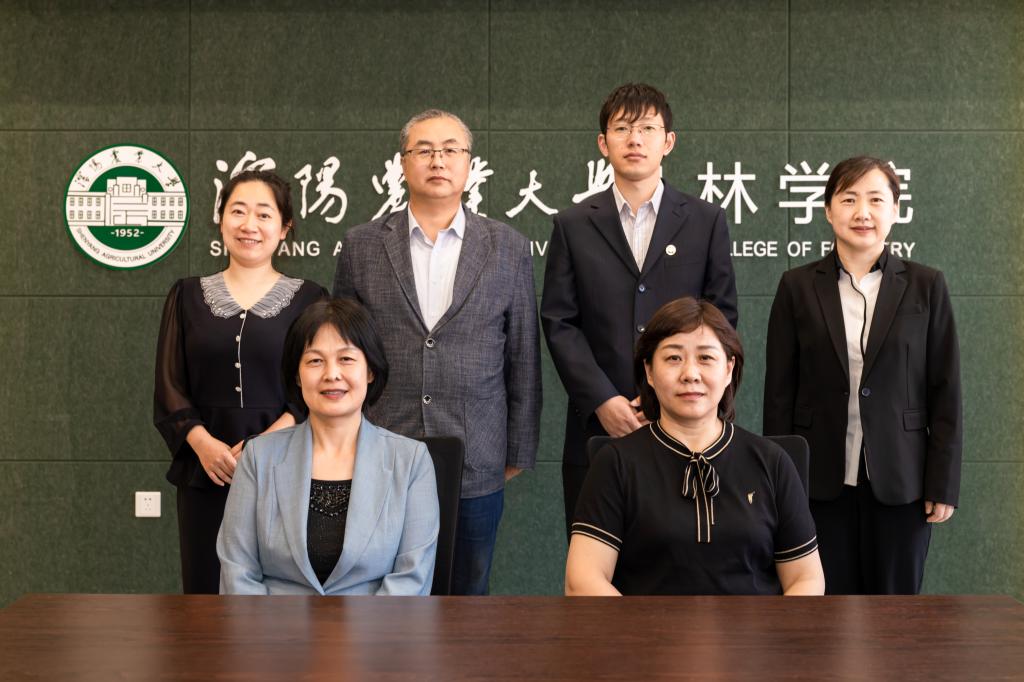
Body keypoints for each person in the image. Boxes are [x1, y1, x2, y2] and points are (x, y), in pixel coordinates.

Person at [332, 109, 541, 595]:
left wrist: (515, 450)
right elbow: (343, 350)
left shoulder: (507, 246)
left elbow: (524, 356)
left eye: (451, 150)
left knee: (467, 593)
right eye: (423, 150)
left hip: (477, 452)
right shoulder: (362, 245)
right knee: (377, 591)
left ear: (469, 164)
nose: (438, 160)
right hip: (382, 447)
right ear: (403, 163)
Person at [541, 83, 738, 537]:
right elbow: (560, 322)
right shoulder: (573, 225)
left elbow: (721, 316)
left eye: (647, 128)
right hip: (598, 426)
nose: (635, 139)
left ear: (668, 141)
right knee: (597, 555)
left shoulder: (705, 220)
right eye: (622, 129)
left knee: (684, 552)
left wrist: (670, 394)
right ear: (602, 143)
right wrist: (603, 401)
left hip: (687, 421)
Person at [763, 155, 962, 595]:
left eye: (875, 199)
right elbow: (779, 394)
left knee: (895, 614)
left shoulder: (926, 285)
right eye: (849, 199)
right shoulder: (797, 286)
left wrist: (943, 482)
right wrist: (780, 484)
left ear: (895, 210)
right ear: (828, 210)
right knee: (822, 610)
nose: (862, 212)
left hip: (902, 481)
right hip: (817, 483)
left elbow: (945, 390)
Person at [565, 298, 822, 595]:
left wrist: (772, 628)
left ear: (729, 369)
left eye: (705, 358)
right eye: (673, 358)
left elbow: (806, 579)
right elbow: (583, 580)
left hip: (753, 626)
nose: (690, 373)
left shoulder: (772, 462)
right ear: (649, 372)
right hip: (645, 626)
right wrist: (644, 627)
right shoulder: (616, 463)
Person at [153, 170, 327, 594]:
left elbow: (318, 385)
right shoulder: (186, 295)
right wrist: (202, 444)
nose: (250, 225)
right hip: (207, 469)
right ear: (221, 221)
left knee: (283, 591)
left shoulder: (311, 299)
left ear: (284, 228)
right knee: (206, 591)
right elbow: (169, 384)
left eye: (264, 214)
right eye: (238, 211)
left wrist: (265, 445)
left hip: (284, 464)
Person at [217, 298, 439, 595]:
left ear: (370, 370)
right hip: (274, 623)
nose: (332, 374)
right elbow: (237, 572)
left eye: (346, 359)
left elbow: (412, 579)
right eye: (315, 361)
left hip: (377, 624)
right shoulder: (258, 458)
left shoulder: (411, 461)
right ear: (297, 376)